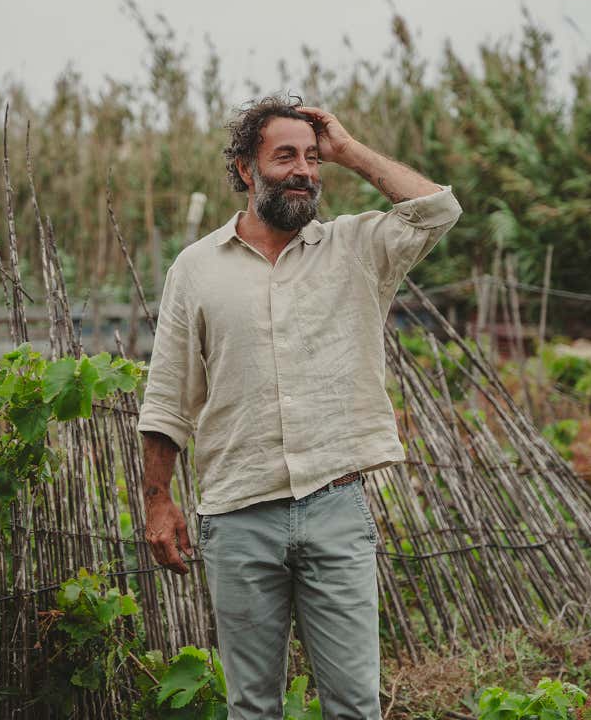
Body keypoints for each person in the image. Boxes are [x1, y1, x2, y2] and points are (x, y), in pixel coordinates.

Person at [137, 96, 461, 718]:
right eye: (285, 156)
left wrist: (348, 148)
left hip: (334, 507)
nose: (305, 171)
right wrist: (158, 499)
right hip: (237, 515)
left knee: (354, 706)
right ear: (243, 169)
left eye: (313, 159)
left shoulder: (358, 248)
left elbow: (435, 210)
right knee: (254, 707)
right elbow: (169, 394)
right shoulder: (197, 270)